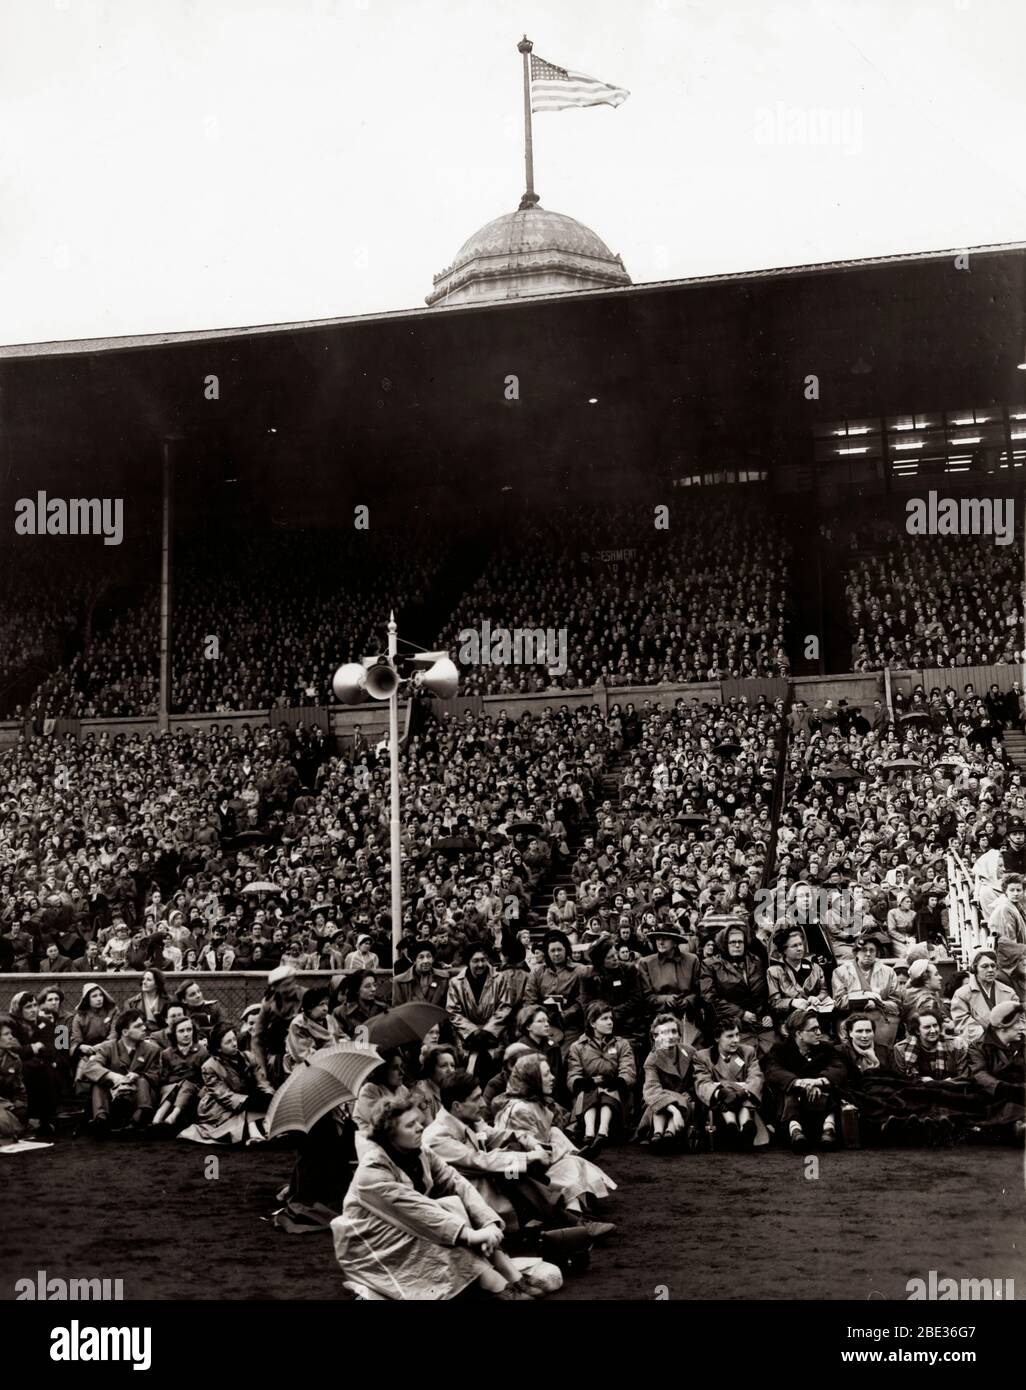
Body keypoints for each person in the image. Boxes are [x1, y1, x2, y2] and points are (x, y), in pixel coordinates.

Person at [331, 1095, 556, 1300]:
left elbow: (458, 1183)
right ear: (389, 1135)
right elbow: (415, 1211)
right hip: (374, 1239)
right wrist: (470, 1235)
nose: (420, 1128)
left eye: (419, 1121)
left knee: (453, 1203)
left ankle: (505, 1270)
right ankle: (492, 1281)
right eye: (410, 1125)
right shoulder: (373, 1170)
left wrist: (488, 1223)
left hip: (415, 1223)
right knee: (442, 1227)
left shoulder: (420, 1151)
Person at [422, 1070, 572, 1237]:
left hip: (495, 1183)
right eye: (476, 1099)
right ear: (457, 1106)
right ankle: (557, 1215)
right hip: (472, 1198)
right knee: (512, 1167)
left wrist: (530, 1142)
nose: (483, 1104)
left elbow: (498, 1134)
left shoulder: (468, 1119)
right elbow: (479, 1161)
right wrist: (529, 1157)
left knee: (513, 1161)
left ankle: (553, 1215)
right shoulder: (436, 1137)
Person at [493, 1054, 616, 1212]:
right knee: (572, 1163)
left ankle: (578, 1208)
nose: (552, 1077)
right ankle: (576, 1213)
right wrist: (560, 1152)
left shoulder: (535, 1102)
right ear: (532, 1079)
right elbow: (521, 1152)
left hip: (536, 1162)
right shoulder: (521, 1109)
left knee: (563, 1146)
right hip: (522, 1174)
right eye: (545, 1075)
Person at [763, 1009, 849, 1152]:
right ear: (799, 1034)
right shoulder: (780, 1050)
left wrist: (817, 1082)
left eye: (819, 1028)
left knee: (833, 1089)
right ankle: (795, 1132)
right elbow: (773, 1072)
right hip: (793, 1104)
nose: (819, 1032)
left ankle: (829, 1129)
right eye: (813, 1029)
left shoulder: (826, 1048)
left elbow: (839, 1068)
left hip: (820, 1103)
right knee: (788, 1094)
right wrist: (800, 1083)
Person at [178, 1022, 274, 1146]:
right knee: (247, 1112)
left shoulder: (248, 1057)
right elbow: (224, 1095)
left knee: (269, 1106)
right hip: (217, 1106)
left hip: (244, 1098)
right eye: (228, 1042)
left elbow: (262, 1081)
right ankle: (255, 1134)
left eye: (234, 1039)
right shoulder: (209, 1067)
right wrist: (247, 1101)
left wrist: (269, 1094)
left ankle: (262, 1132)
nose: (234, 1044)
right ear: (218, 1048)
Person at [565, 1001, 636, 1155]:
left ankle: (602, 1132)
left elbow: (628, 1071)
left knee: (606, 1090)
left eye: (610, 1018)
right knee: (591, 1089)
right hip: (587, 1097)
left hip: (616, 1097)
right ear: (592, 1023)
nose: (610, 1022)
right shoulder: (577, 1046)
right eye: (604, 1019)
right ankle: (589, 1134)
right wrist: (584, 1082)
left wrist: (617, 1081)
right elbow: (573, 1075)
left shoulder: (622, 1044)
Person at [78, 1009, 161, 1133]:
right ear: (125, 1032)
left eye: (143, 1024)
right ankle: (101, 1120)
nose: (144, 1028)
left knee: (142, 1080)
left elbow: (157, 1076)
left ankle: (138, 1121)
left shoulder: (152, 1050)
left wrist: (138, 1075)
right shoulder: (108, 1047)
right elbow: (90, 1067)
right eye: (138, 1026)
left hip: (139, 1097)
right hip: (114, 1096)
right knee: (98, 1084)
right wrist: (113, 1077)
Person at [693, 1019, 769, 1147]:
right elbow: (702, 1083)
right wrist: (720, 1093)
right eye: (730, 1036)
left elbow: (756, 1076)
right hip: (718, 1108)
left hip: (745, 1102)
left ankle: (746, 1126)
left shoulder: (747, 1052)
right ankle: (732, 1126)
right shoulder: (703, 1056)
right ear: (717, 1038)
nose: (736, 1040)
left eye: (737, 1034)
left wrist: (744, 1092)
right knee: (723, 1092)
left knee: (741, 1092)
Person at [701, 923, 775, 1053]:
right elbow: (709, 998)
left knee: (775, 1051)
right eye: (732, 942)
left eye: (740, 942)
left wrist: (767, 1014)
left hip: (758, 1022)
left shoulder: (755, 961)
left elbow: (765, 993)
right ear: (724, 944)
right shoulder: (711, 965)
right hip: (728, 1022)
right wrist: (740, 1014)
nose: (737, 945)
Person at [446, 945, 512, 1080]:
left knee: (495, 1076)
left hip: (494, 1037)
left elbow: (505, 1006)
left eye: (483, 960)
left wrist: (487, 1030)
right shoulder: (456, 982)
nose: (480, 964)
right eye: (475, 961)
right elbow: (453, 1011)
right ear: (468, 962)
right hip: (467, 1039)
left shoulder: (500, 979)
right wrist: (472, 1031)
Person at [635, 1013, 696, 1148]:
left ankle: (669, 1134)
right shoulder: (652, 1060)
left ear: (680, 1035)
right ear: (655, 1037)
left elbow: (697, 1078)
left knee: (682, 1100)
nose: (670, 1036)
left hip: (686, 1102)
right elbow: (652, 1091)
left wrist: (691, 1092)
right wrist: (674, 1111)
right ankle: (658, 1134)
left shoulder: (690, 1052)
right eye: (664, 1032)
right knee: (665, 1100)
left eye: (674, 1031)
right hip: (658, 1102)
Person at [831, 932, 902, 1047]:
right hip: (851, 1021)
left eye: (872, 950)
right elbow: (839, 1001)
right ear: (856, 952)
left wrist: (878, 1003)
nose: (868, 954)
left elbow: (897, 1004)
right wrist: (863, 998)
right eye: (864, 950)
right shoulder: (841, 972)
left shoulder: (889, 972)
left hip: (881, 1021)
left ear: (876, 953)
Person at [967, 1000, 1025, 1137]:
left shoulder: (1023, 1044)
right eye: (1017, 1023)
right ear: (1002, 1027)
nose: (1022, 1027)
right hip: (993, 1097)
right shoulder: (978, 1047)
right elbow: (979, 1074)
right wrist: (1004, 1088)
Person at [8, 991, 60, 1137]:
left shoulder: (46, 1022)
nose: (33, 1010)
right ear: (18, 1009)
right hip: (19, 1064)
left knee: (50, 1072)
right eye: (28, 1007)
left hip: (44, 1062)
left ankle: (47, 1119)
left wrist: (34, 1049)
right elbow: (13, 1049)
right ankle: (32, 1118)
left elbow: (52, 1047)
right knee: (30, 1070)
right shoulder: (12, 1024)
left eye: (35, 1005)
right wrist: (33, 1048)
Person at [523, 930, 585, 1049]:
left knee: (564, 1054)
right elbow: (530, 1000)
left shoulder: (579, 971)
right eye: (552, 950)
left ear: (566, 949)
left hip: (571, 1026)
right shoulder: (537, 972)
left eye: (559, 949)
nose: (556, 954)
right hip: (543, 1023)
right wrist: (543, 1016)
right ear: (547, 952)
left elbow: (583, 999)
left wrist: (564, 1015)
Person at [637, 926, 702, 1039]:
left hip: (688, 1017)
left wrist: (688, 1001)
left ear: (675, 942)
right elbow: (645, 996)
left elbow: (699, 990)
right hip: (659, 1017)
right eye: (658, 939)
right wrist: (666, 1000)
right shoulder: (646, 963)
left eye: (665, 939)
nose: (660, 942)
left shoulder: (692, 960)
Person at [766, 928, 834, 1031]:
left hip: (816, 1017)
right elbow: (774, 1003)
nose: (799, 948)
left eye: (800, 944)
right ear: (784, 950)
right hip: (790, 1021)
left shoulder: (815, 967)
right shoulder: (774, 971)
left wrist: (817, 998)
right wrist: (792, 1002)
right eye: (794, 946)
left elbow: (824, 990)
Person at [250, 965, 303, 1085]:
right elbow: (257, 1038)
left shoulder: (306, 997)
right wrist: (261, 1067)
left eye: (291, 983)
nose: (290, 988)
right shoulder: (268, 1004)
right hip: (278, 1059)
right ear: (275, 987)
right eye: (284, 985)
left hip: (303, 1055)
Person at [950, 951, 1017, 1044]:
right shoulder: (962, 994)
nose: (990, 970)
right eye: (985, 966)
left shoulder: (1009, 992)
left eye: (993, 966)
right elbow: (963, 1023)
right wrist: (989, 1039)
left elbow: (1019, 1019)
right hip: (978, 1047)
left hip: (1007, 1045)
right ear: (974, 968)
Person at [153, 1016, 208, 1129]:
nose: (186, 1034)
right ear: (174, 1034)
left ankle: (170, 1117)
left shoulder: (202, 1051)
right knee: (179, 1086)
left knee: (186, 1085)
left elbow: (205, 1077)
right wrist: (177, 1084)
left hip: (193, 1091)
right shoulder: (166, 1054)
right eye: (181, 1031)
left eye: (189, 1030)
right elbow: (164, 1078)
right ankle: (159, 1120)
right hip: (171, 1091)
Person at [353, 1051, 410, 1153]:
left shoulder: (402, 1090)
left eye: (402, 1066)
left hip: (399, 1141)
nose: (402, 1072)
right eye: (395, 1068)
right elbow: (381, 1124)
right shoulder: (369, 1090)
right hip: (373, 1145)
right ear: (383, 1069)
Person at [284, 988, 341, 1074]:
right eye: (321, 1004)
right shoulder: (298, 1024)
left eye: (326, 1004)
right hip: (306, 1063)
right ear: (310, 1008)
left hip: (332, 1058)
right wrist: (330, 1051)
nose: (325, 1008)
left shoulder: (329, 1019)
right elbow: (303, 1055)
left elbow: (340, 1036)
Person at [69, 982, 117, 1065]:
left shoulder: (112, 1011)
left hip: (109, 1048)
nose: (99, 999)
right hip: (88, 1049)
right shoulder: (80, 1016)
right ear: (87, 999)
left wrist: (102, 1046)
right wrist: (81, 1047)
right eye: (94, 996)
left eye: (101, 995)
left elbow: (114, 1033)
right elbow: (76, 1038)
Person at [392, 940, 449, 1008]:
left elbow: (447, 1007)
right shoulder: (400, 981)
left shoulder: (443, 978)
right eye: (421, 957)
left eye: (429, 956)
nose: (426, 961)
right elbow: (397, 1009)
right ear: (414, 961)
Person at [333, 969, 387, 1039]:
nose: (373, 989)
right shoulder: (341, 1012)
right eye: (367, 986)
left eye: (375, 985)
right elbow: (339, 1037)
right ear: (357, 990)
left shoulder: (383, 1008)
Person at [411, 1044, 458, 1122]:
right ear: (431, 1069)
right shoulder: (422, 1094)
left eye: (452, 1065)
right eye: (443, 1066)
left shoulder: (450, 1089)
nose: (450, 1071)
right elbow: (429, 1130)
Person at [0, 1016, 28, 1141]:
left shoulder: (14, 1059)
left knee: (21, 1114)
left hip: (7, 1103)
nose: (11, 1037)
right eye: (6, 1034)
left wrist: (18, 1104)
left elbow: (19, 1089)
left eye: (11, 1033)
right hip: (2, 1103)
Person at [125, 968, 171, 1034]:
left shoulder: (168, 1001)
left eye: (149, 980)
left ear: (157, 984)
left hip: (162, 1035)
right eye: (143, 979)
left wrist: (158, 1017)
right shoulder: (132, 1002)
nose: (144, 982)